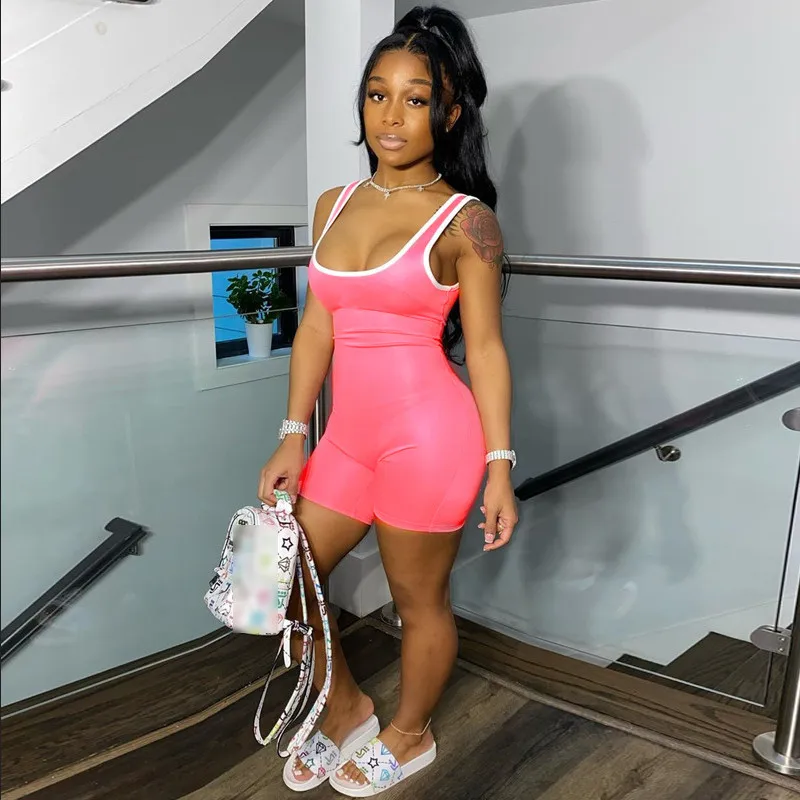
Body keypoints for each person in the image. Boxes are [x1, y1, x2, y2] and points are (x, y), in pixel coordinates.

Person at [258, 5, 518, 796]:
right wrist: (294, 432)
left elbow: (486, 350)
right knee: (286, 581)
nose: (392, 116)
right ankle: (344, 709)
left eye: (415, 98)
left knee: (418, 600)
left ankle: (411, 732)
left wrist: (500, 466)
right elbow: (317, 327)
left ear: (450, 112)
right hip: (346, 439)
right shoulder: (333, 204)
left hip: (430, 441)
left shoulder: (467, 222)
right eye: (378, 95)